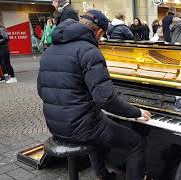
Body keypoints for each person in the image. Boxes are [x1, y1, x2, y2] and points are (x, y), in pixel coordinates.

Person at [37, 10, 152, 180]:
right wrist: (137, 112)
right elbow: (106, 99)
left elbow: (42, 91)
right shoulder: (89, 51)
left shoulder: (50, 50)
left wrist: (81, 101)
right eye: (102, 35)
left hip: (55, 125)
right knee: (135, 143)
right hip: (82, 128)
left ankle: (103, 175)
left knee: (99, 123)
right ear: (98, 32)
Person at [0, 17, 17, 84]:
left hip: (3, 48)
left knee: (6, 63)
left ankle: (13, 77)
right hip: (0, 48)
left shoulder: (1, 28)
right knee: (1, 64)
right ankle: (4, 77)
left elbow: (6, 38)